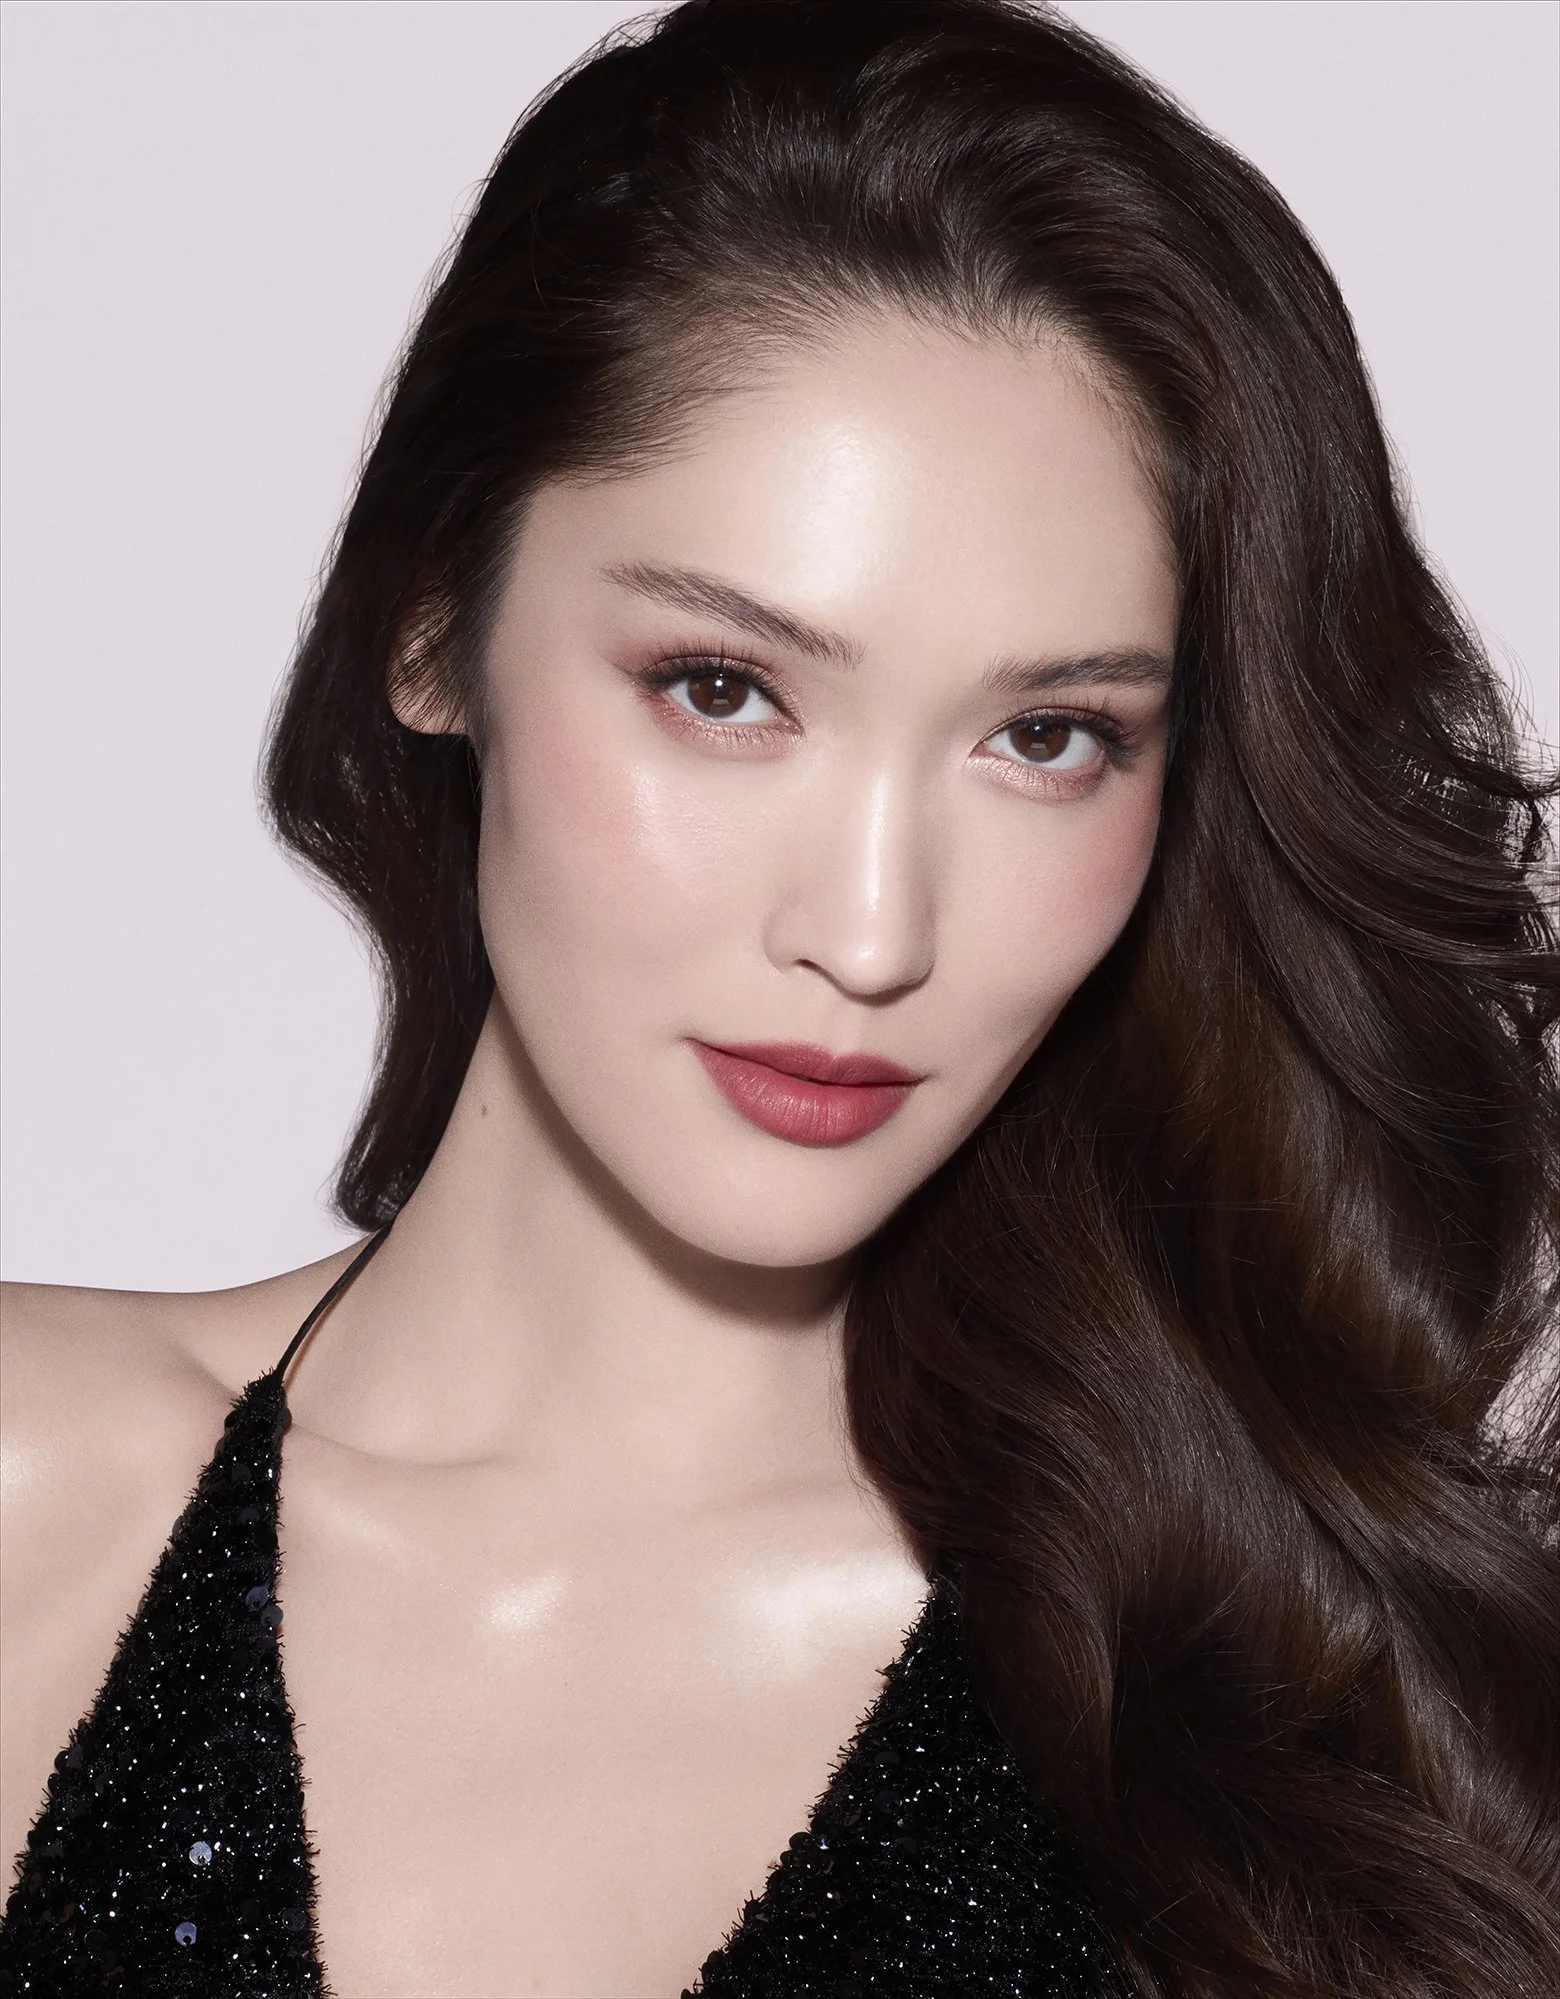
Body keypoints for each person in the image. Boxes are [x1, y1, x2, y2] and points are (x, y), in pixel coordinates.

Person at [2, 0, 1556, 1993]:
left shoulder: (1287, 1703)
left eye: (1050, 741)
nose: (874, 931)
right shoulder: (36, 1492)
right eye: (725, 691)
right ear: (431, 626)